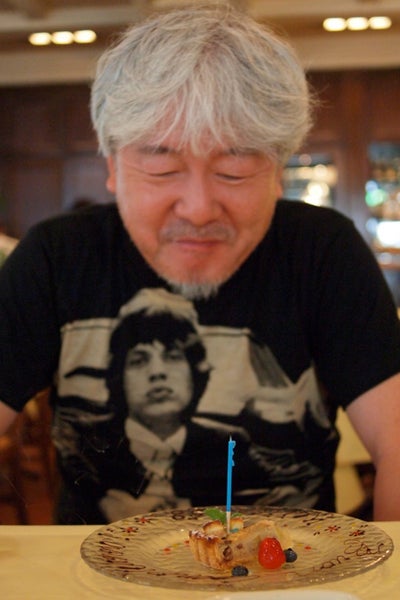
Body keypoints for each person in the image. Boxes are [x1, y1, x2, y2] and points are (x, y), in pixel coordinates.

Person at [0, 2, 399, 524]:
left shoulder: (322, 252)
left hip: (290, 562)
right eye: (162, 170)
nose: (198, 209)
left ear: (278, 172)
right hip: (89, 565)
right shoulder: (58, 258)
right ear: (113, 166)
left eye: (234, 170)